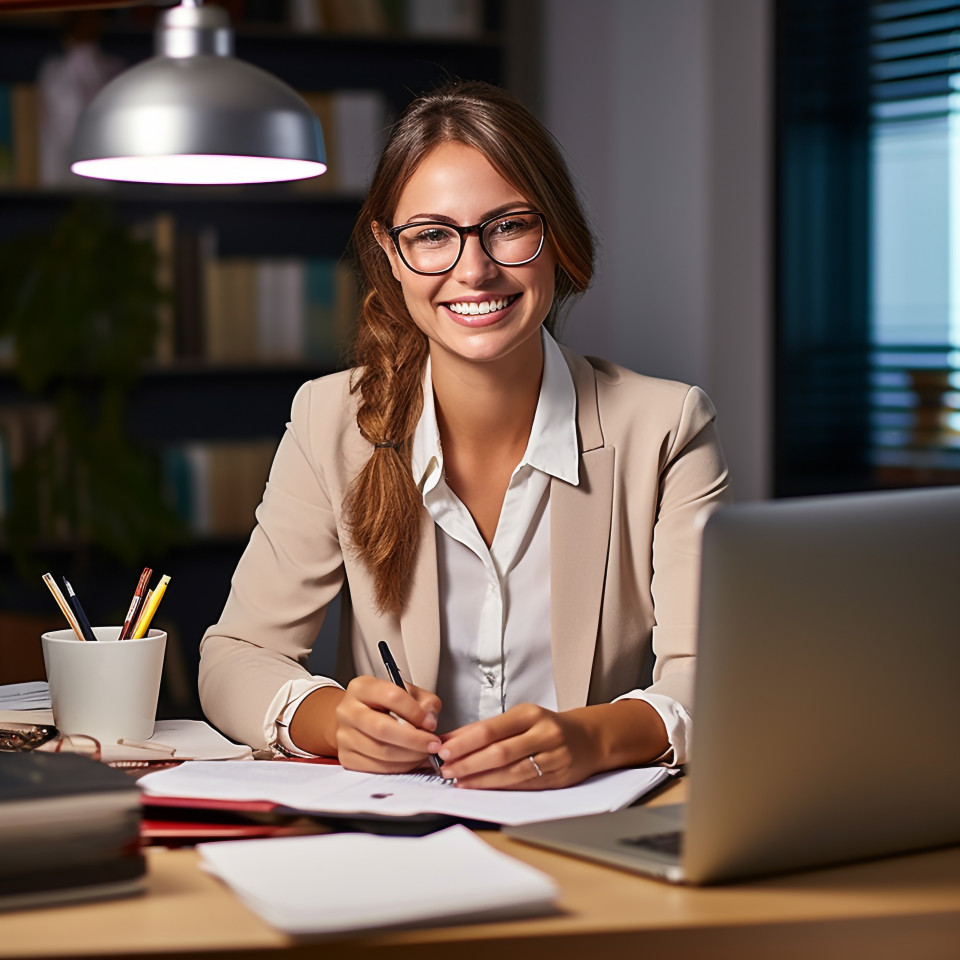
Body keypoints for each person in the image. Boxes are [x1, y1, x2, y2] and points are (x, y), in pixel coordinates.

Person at [198, 80, 730, 790]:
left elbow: (716, 676)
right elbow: (235, 654)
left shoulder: (665, 427)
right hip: (399, 838)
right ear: (389, 252)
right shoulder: (332, 420)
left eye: (508, 226)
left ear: (557, 237)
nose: (473, 269)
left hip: (587, 831)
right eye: (431, 236)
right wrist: (333, 718)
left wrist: (593, 737)